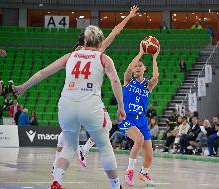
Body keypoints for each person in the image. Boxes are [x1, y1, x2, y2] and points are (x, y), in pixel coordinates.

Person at [14, 24, 128, 189]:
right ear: (100, 41)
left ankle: (56, 182)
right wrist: (120, 106)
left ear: (85, 40)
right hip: (90, 105)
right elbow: (116, 81)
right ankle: (116, 186)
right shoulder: (103, 58)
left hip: (67, 104)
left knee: (68, 145)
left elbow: (43, 72)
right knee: (104, 146)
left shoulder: (70, 56)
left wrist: (23, 86)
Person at [49, 5, 140, 176]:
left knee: (68, 136)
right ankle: (78, 152)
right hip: (87, 99)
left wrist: (128, 17)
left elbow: (114, 32)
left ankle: (58, 165)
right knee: (101, 130)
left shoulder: (75, 57)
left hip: (72, 100)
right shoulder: (94, 53)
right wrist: (128, 16)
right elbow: (113, 33)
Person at [118, 40, 160, 187]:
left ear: (144, 69)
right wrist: (141, 53)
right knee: (139, 139)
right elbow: (128, 70)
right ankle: (129, 171)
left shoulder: (147, 86)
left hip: (141, 120)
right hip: (127, 118)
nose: (137, 67)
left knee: (149, 155)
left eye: (140, 66)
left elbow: (156, 77)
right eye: (136, 66)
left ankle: (144, 173)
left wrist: (154, 57)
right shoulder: (128, 81)